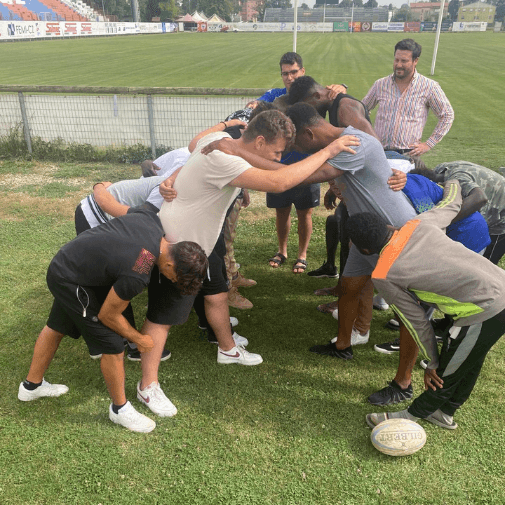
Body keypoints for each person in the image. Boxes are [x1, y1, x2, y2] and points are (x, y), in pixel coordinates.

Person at [147, 110, 358, 387]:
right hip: (179, 245)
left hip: (201, 240)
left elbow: (193, 146)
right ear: (259, 142)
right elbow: (279, 181)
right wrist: (328, 151)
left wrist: (174, 176)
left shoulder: (218, 140)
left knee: (217, 292)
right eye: (277, 151)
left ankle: (227, 349)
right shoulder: (225, 159)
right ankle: (146, 382)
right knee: (163, 315)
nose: (278, 158)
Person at [18, 209, 208, 433]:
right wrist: (139, 339)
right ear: (169, 266)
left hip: (71, 263)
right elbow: (108, 315)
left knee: (58, 326)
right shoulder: (139, 271)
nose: (171, 281)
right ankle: (120, 410)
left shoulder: (152, 223)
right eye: (174, 278)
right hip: (70, 278)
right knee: (113, 344)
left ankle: (31, 387)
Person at [344, 181, 505, 430]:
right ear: (388, 225)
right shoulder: (418, 224)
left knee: (446, 372)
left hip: (484, 308)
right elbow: (451, 202)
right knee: (470, 359)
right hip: (499, 287)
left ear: (364, 250)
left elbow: (416, 321)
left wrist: (432, 362)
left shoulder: (384, 274)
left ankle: (412, 415)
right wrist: (452, 181)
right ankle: (446, 412)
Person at [362, 38, 454, 157]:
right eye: (396, 60)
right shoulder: (380, 84)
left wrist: (428, 144)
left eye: (404, 61)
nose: (398, 65)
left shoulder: (429, 87)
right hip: (379, 153)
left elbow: (447, 115)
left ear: (415, 61)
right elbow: (361, 109)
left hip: (408, 154)